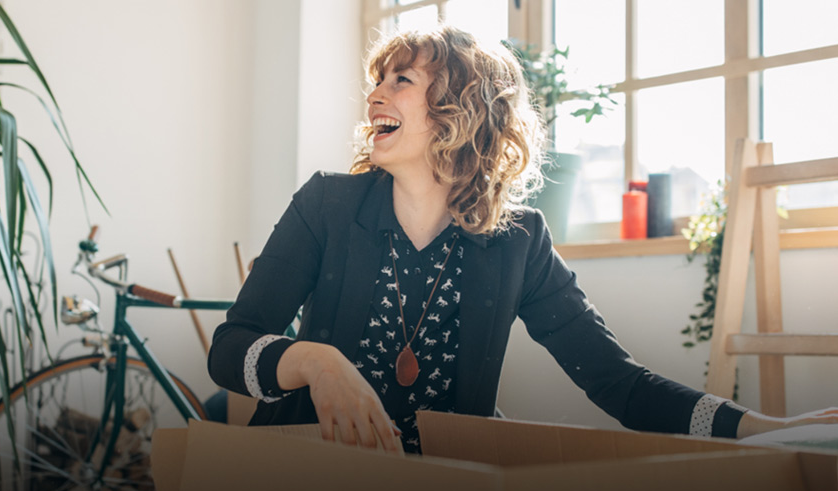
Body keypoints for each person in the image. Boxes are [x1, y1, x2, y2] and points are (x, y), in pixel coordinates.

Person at [208, 24, 836, 454]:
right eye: (379, 80)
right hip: (304, 486)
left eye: (401, 81)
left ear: (461, 110)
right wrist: (316, 363)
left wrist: (760, 428)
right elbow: (228, 350)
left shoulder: (519, 242)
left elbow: (619, 383)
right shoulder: (327, 204)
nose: (375, 94)